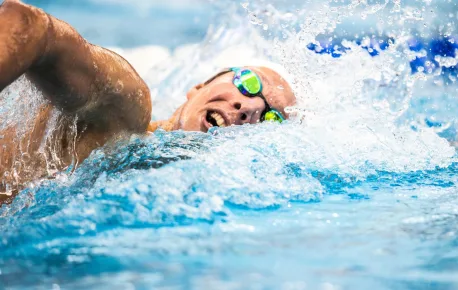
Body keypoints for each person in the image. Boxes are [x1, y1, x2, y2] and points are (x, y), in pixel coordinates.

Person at [0, 0, 296, 203]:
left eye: (271, 118)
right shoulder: (126, 108)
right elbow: (28, 24)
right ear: (199, 87)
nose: (250, 108)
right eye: (248, 83)